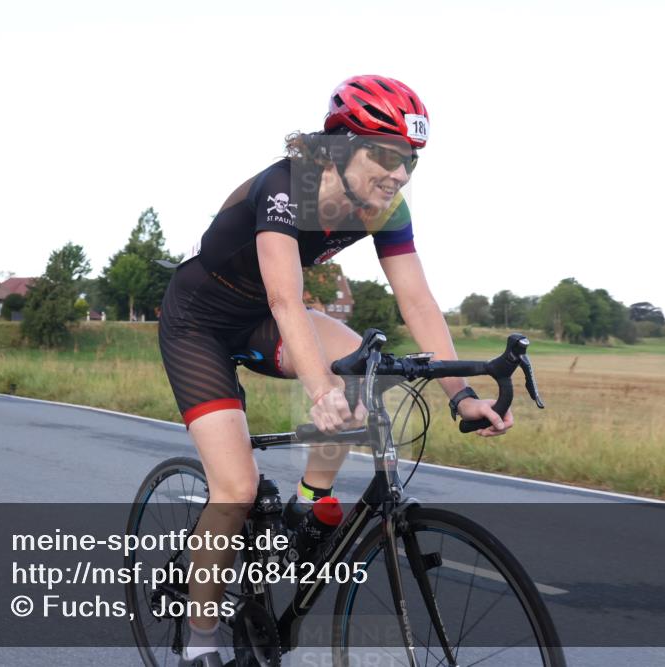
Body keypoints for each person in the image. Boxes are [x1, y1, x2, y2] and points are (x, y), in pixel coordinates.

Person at [157, 74, 514, 667]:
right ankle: (200, 638)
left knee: (365, 368)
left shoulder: (385, 206)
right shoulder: (286, 186)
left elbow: (418, 302)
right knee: (236, 490)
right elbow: (286, 299)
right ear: (342, 145)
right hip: (199, 322)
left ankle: (309, 501)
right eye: (389, 156)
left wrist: (462, 395)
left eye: (411, 160)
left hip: (262, 317)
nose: (400, 174)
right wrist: (319, 388)